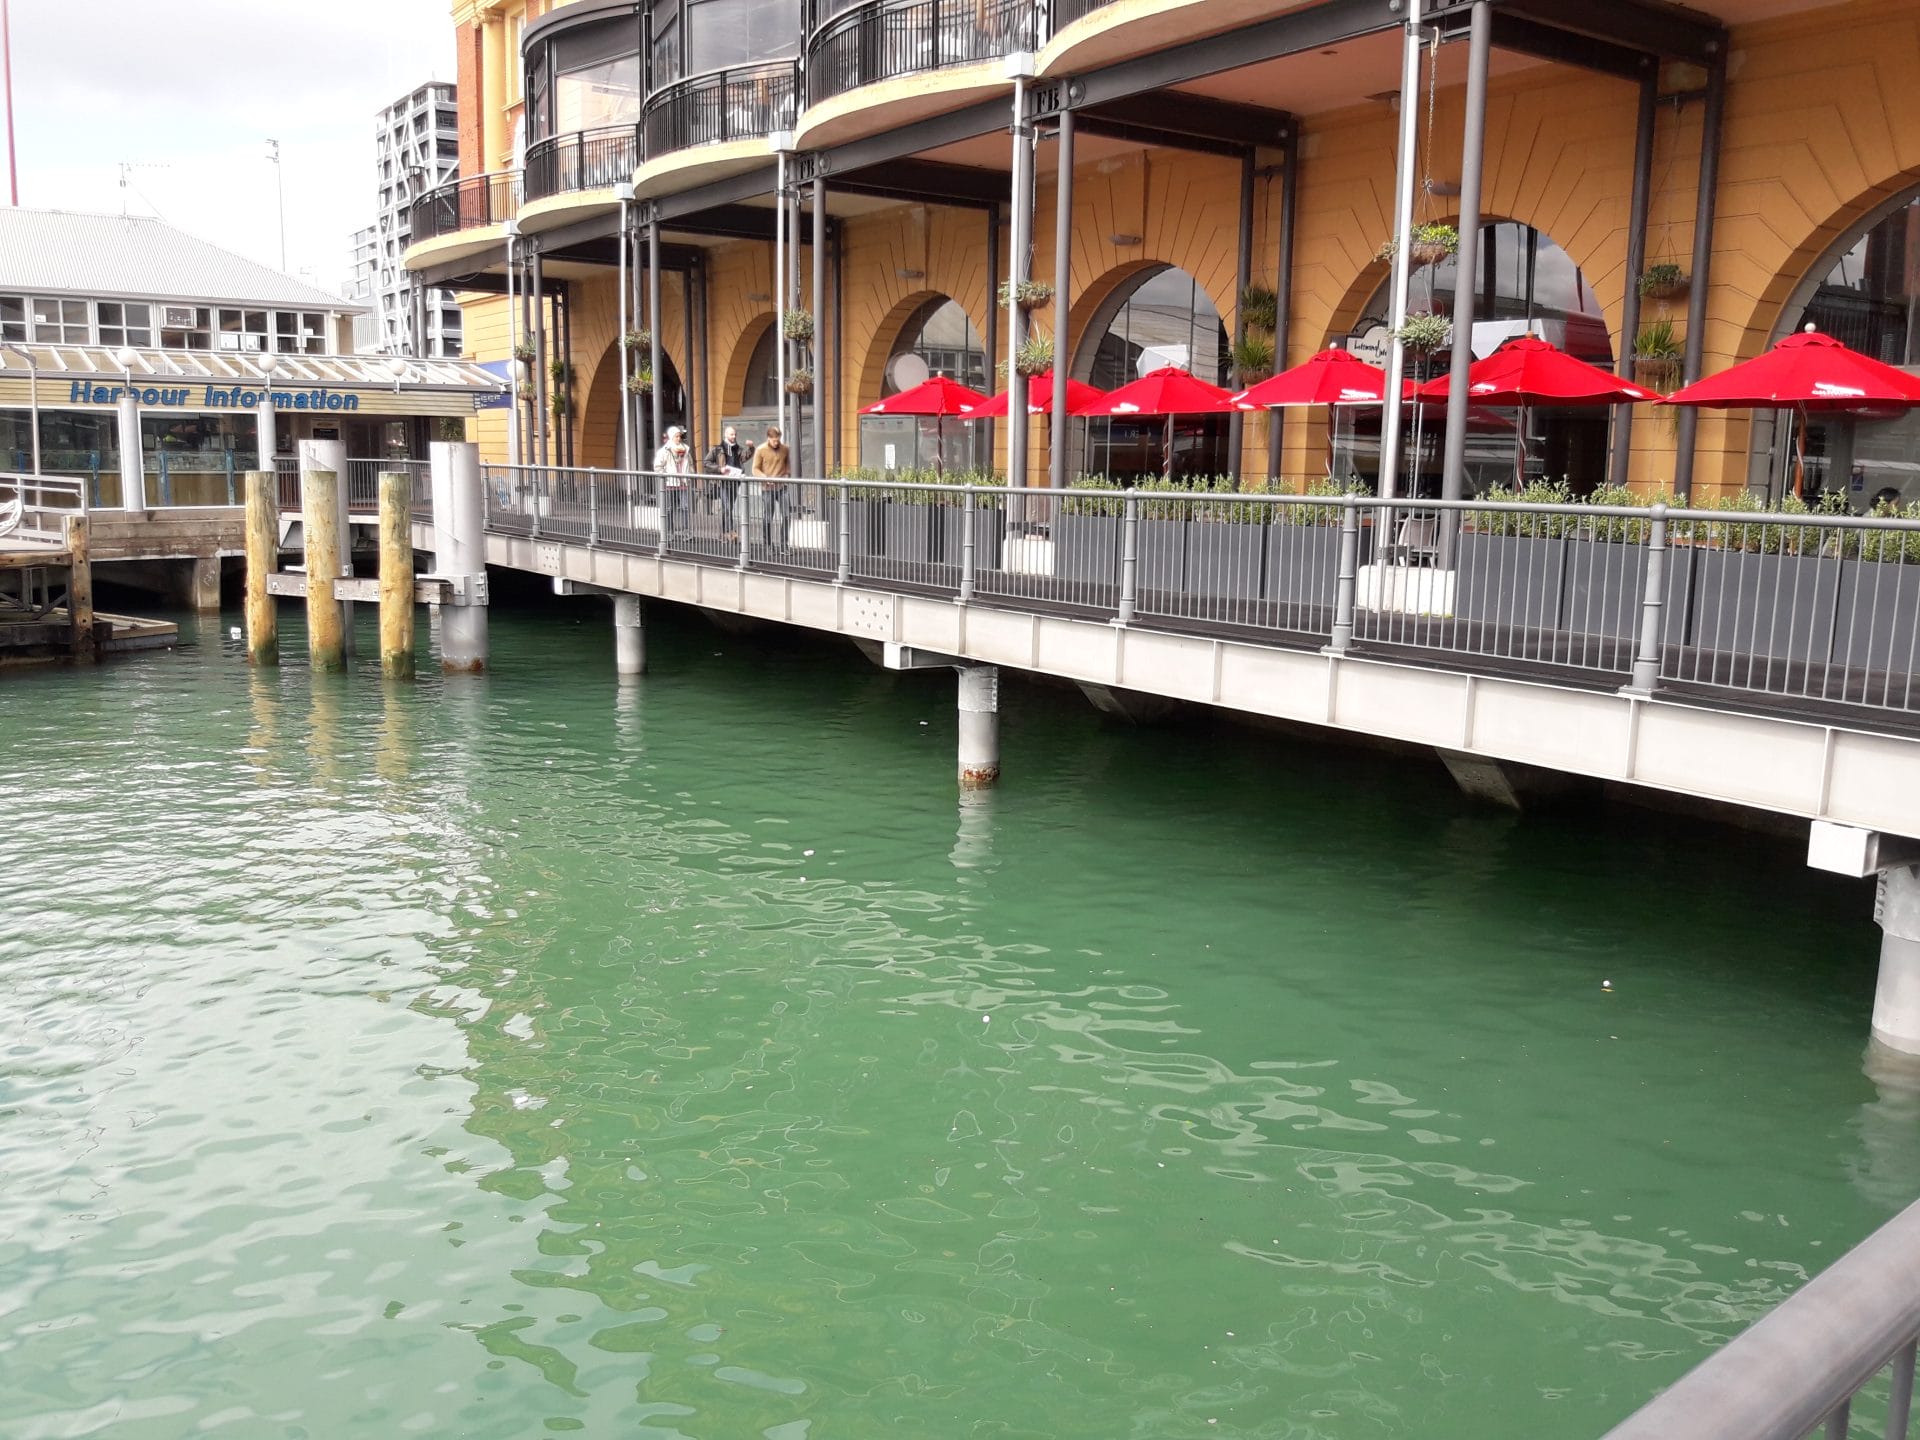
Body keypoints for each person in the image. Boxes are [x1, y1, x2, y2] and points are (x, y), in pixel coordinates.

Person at [704, 425, 748, 541]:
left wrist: (751, 448)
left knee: (727, 509)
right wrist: (720, 469)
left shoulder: (738, 449)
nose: (734, 436)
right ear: (726, 435)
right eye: (731, 434)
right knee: (727, 508)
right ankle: (731, 532)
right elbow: (706, 463)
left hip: (734, 482)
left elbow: (744, 458)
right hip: (722, 483)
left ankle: (723, 534)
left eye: (735, 434)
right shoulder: (718, 449)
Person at [751, 424, 793, 547]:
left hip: (782, 487)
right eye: (774, 440)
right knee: (768, 516)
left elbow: (788, 467)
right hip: (767, 488)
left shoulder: (785, 449)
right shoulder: (760, 450)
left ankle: (784, 544)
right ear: (768, 438)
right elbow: (755, 469)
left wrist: (787, 475)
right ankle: (768, 544)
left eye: (778, 440)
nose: (776, 443)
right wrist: (765, 478)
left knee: (786, 515)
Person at [653, 425, 695, 537]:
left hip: (683, 483)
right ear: (671, 437)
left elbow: (690, 464)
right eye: (676, 436)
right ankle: (670, 532)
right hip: (670, 483)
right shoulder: (665, 451)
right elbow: (657, 466)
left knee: (685, 507)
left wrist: (690, 475)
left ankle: (687, 532)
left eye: (679, 436)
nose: (678, 438)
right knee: (670, 508)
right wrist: (666, 476)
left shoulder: (686, 449)